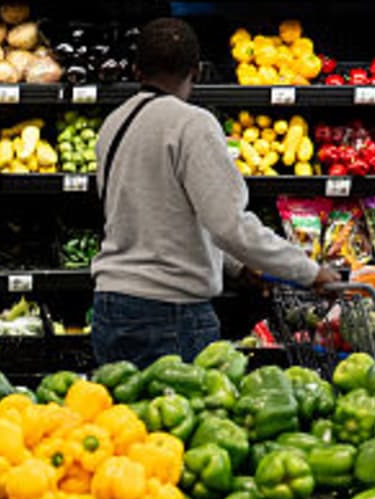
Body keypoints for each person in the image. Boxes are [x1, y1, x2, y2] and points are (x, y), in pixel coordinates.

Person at [91, 18, 339, 365]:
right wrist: (307, 271)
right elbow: (228, 223)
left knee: (121, 403)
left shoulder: (113, 124)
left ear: (136, 70)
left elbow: (157, 215)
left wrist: (236, 266)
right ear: (196, 70)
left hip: (110, 307)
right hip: (170, 314)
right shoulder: (192, 123)